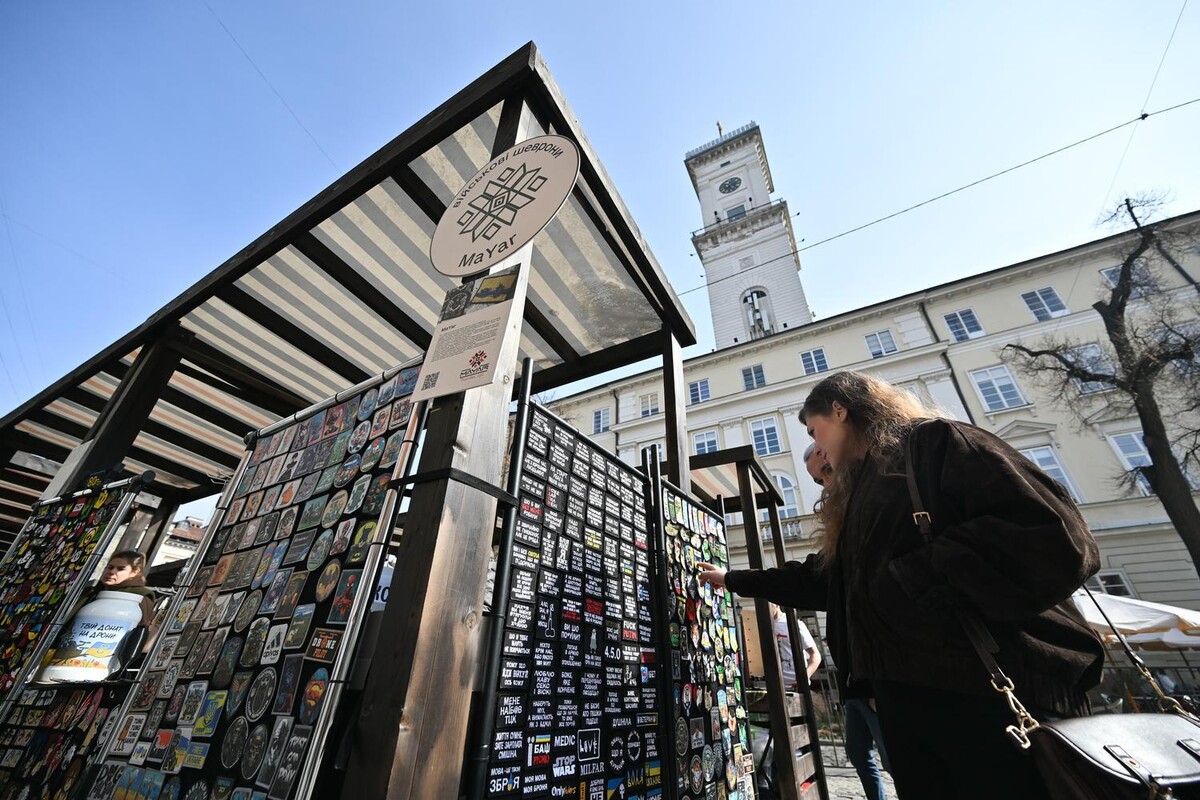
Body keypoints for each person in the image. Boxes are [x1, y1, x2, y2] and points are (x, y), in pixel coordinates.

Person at [698, 371, 1103, 800]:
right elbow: (828, 578)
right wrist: (733, 579)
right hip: (913, 701)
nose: (822, 452)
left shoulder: (932, 443)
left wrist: (907, 579)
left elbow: (1056, 535)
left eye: (817, 431)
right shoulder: (863, 491)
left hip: (984, 697)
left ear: (841, 409)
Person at [802, 442, 892, 800]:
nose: (826, 484)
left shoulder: (877, 501)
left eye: (826, 471)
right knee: (860, 754)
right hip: (856, 684)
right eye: (819, 479)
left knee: (893, 758)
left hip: (877, 682)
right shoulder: (846, 524)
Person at [769, 602, 820, 687]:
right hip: (775, 685)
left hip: (797, 684)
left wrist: (805, 677)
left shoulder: (795, 624)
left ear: (776, 604)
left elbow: (815, 654)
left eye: (769, 606)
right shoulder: (764, 625)